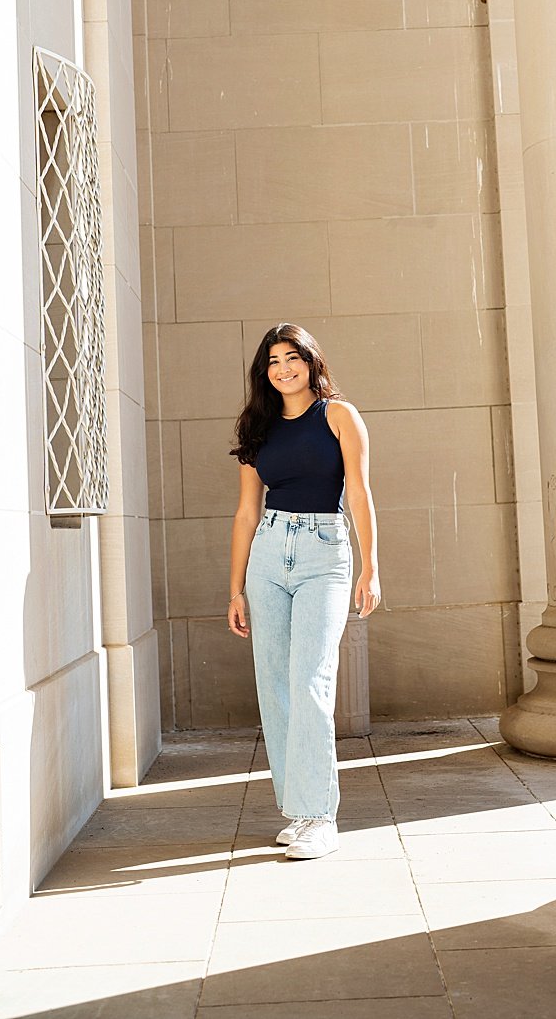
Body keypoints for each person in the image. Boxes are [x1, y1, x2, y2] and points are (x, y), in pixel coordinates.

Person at [225, 324, 381, 857]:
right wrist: (235, 588)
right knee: (275, 685)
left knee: (311, 679)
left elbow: (359, 494)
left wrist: (370, 566)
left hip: (324, 552)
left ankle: (320, 815)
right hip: (267, 554)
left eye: (292, 357)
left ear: (311, 361)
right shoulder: (258, 426)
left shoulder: (339, 415)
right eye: (272, 360)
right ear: (263, 371)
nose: (283, 367)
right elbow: (247, 511)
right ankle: (297, 808)